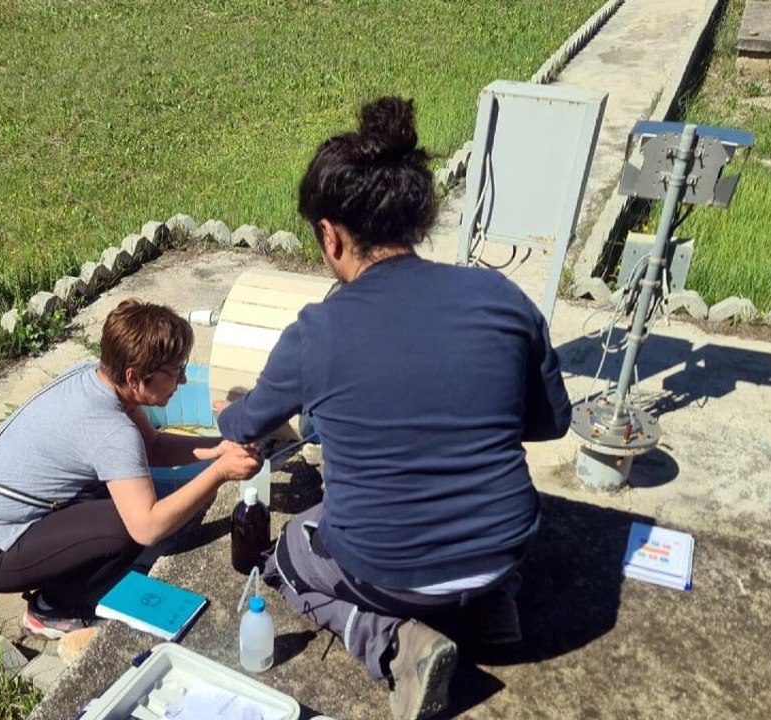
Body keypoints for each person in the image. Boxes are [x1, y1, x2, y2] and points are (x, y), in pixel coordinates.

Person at [215, 97, 571, 720]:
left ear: (330, 233)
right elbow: (551, 423)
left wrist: (230, 408)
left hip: (387, 572)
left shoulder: (319, 330)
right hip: (505, 551)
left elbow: (247, 425)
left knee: (288, 557)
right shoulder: (501, 297)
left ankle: (396, 646)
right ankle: (489, 609)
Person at [0, 299, 263, 639]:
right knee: (122, 529)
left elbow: (151, 446)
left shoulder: (90, 374)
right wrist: (220, 474)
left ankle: (60, 574)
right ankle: (51, 608)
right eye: (174, 372)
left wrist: (218, 448)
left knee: (116, 490)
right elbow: (148, 528)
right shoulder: (111, 430)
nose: (182, 380)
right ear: (134, 376)